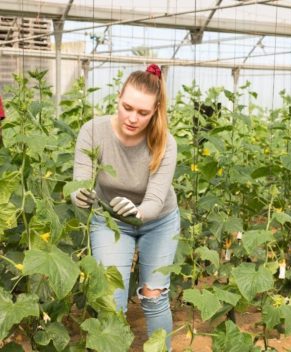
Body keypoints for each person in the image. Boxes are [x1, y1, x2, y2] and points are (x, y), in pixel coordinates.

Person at [71, 64, 179, 351]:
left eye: (143, 113)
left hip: (158, 221)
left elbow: (155, 201)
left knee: (154, 295)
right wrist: (79, 196)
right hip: (111, 221)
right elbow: (80, 181)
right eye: (127, 107)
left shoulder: (165, 142)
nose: (133, 118)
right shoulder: (93, 131)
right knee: (111, 298)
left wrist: (138, 211)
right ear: (118, 97)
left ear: (155, 110)